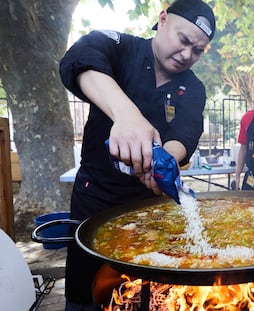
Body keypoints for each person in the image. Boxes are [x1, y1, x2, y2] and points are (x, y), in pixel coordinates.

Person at [59, 0, 216, 309]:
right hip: (95, 200)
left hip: (151, 207)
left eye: (197, 51)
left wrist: (164, 161)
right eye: (184, 40)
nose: (187, 55)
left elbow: (186, 132)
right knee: (85, 293)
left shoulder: (193, 87)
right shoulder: (120, 47)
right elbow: (78, 59)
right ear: (163, 18)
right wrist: (126, 115)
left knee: (151, 294)